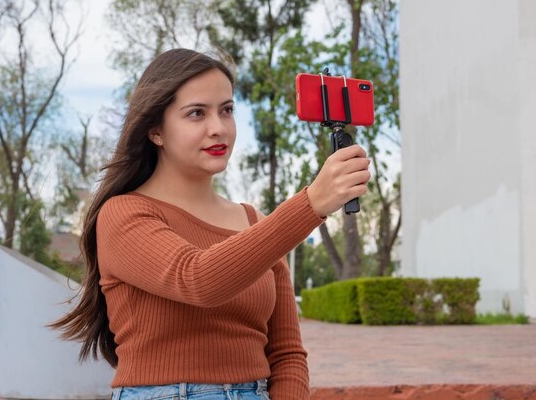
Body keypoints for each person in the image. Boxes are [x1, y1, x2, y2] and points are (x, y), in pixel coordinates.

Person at [50, 49, 371, 400]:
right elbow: (198, 279)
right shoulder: (123, 215)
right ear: (156, 130)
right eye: (196, 113)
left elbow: (287, 354)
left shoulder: (255, 224)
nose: (218, 128)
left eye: (227, 110)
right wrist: (311, 203)